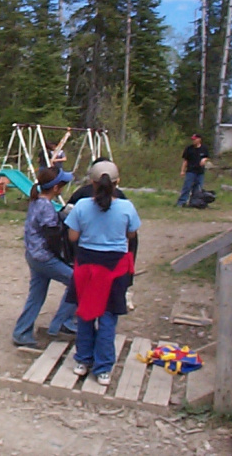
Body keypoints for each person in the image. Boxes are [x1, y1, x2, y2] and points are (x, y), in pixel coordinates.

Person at [64, 160, 140, 386]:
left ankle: (82, 360)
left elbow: (72, 238)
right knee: (108, 317)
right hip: (114, 268)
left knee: (86, 314)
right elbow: (132, 234)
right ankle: (103, 367)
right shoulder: (127, 207)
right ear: (118, 182)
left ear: (91, 183)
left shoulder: (81, 206)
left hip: (87, 264)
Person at [12, 166, 77, 348]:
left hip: (33, 255)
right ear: (56, 188)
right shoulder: (46, 207)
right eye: (62, 185)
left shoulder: (36, 201)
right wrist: (65, 258)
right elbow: (53, 237)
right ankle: (61, 324)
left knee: (36, 295)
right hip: (44, 257)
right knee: (77, 282)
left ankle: (22, 332)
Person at [177, 134, 210, 207]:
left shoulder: (204, 148)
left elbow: (207, 157)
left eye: (195, 139)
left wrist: (204, 159)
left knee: (198, 188)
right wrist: (182, 170)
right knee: (187, 187)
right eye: (192, 139)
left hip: (200, 172)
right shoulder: (189, 149)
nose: (193, 141)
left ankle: (194, 202)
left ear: (199, 140)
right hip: (191, 171)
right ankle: (182, 202)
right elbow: (185, 160)